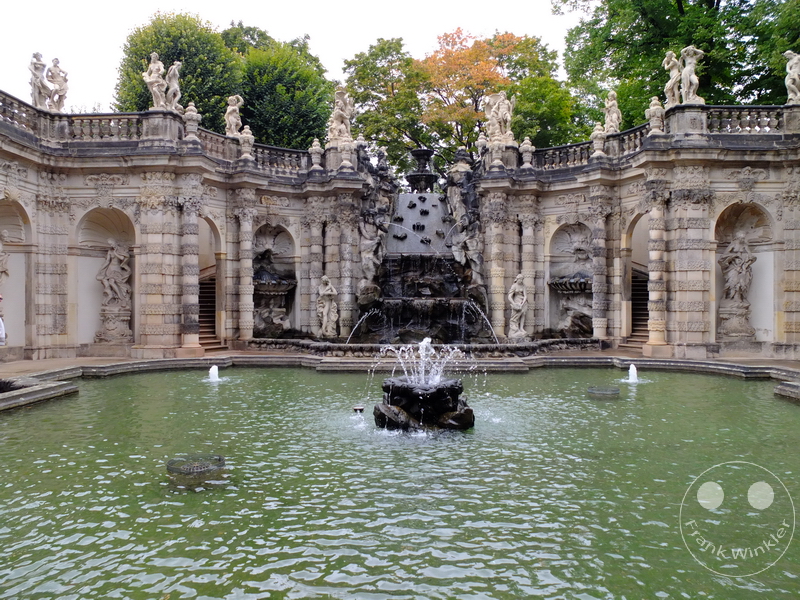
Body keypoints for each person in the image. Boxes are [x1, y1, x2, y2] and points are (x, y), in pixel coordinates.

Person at [97, 239, 132, 306]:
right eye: (110, 244)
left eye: (112, 244)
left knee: (113, 282)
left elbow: (122, 258)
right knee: (110, 283)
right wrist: (101, 269)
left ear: (115, 243)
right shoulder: (110, 251)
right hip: (110, 269)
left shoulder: (120, 250)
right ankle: (116, 296)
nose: (111, 245)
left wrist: (116, 253)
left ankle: (121, 298)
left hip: (117, 269)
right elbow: (107, 261)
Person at [507, 274, 528, 339]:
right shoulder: (514, 286)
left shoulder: (523, 286)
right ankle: (514, 330)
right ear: (517, 279)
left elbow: (525, 296)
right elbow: (509, 296)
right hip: (516, 302)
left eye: (522, 279)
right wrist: (514, 303)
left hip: (523, 302)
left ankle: (521, 328)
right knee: (515, 316)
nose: (521, 281)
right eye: (520, 279)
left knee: (523, 314)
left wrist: (523, 302)